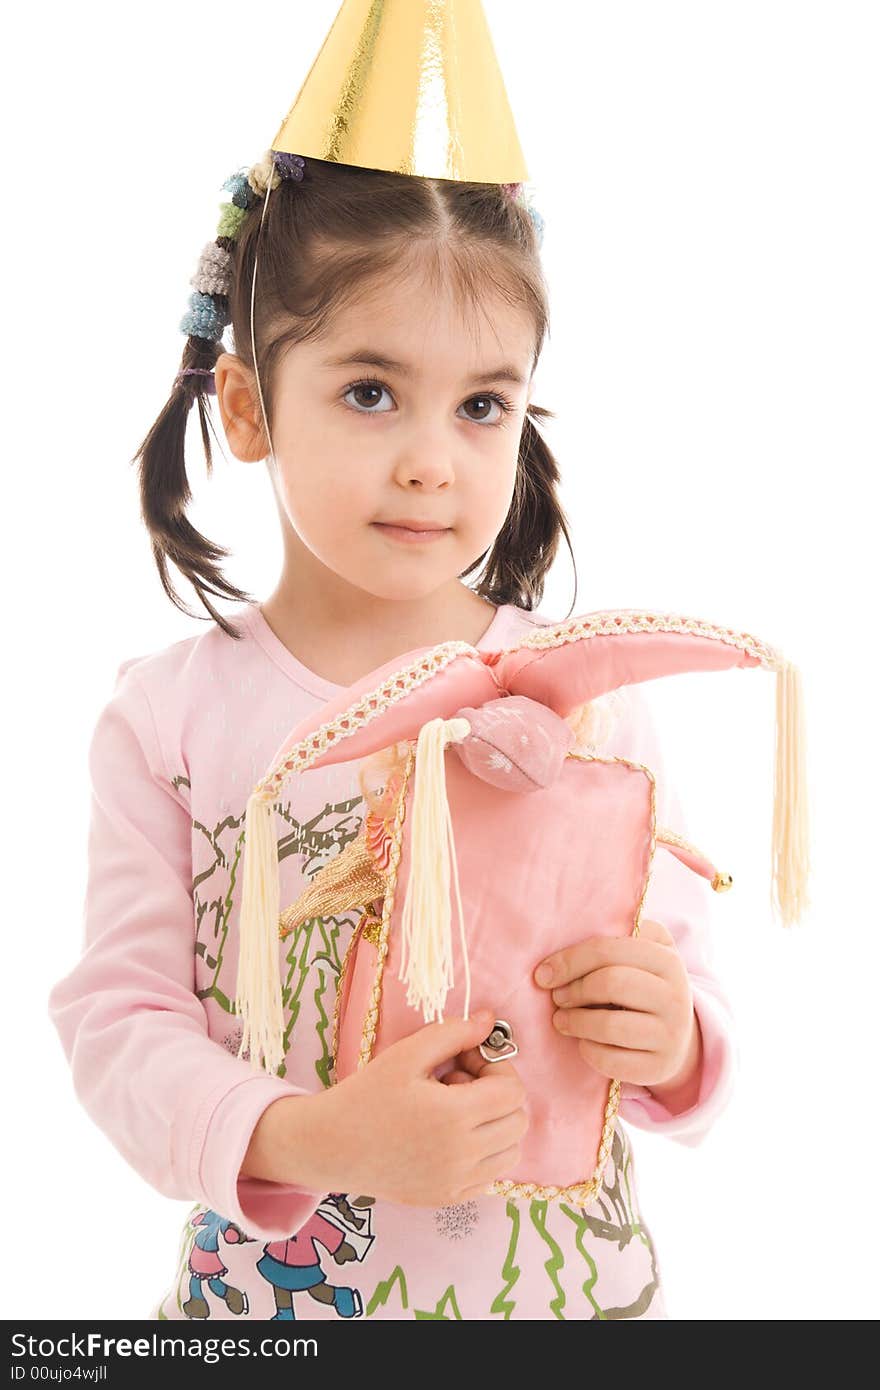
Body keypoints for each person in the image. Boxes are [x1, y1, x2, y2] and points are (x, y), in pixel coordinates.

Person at [46, 4, 739, 1323]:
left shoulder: (586, 696)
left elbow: (682, 976)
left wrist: (678, 1034)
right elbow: (120, 1027)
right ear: (248, 404)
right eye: (372, 391)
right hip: (279, 1313)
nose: (434, 456)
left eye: (483, 402)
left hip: (565, 1307)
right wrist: (318, 1140)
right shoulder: (171, 719)